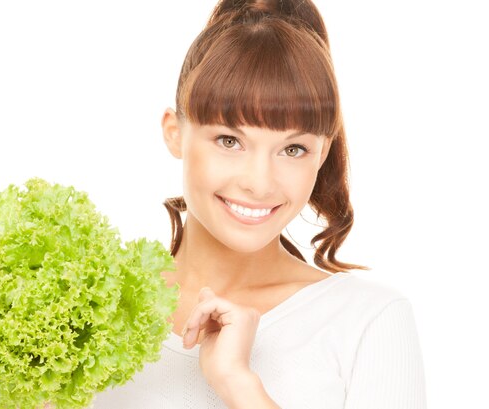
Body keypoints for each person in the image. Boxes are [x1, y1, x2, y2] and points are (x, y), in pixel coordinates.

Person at [92, 0, 426, 408]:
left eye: (294, 149)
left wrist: (239, 385)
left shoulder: (368, 321)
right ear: (174, 133)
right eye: (229, 141)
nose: (259, 183)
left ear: (322, 155)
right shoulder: (90, 310)